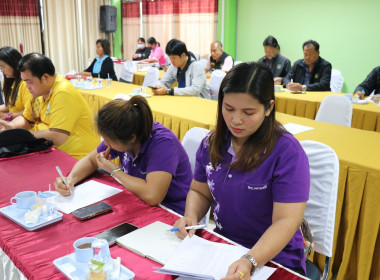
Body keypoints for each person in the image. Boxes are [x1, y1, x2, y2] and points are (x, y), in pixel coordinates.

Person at [174, 62, 310, 279]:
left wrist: (250, 260)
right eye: (228, 109)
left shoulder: (287, 153)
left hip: (274, 259)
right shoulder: (212, 143)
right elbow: (200, 191)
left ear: (269, 108)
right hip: (223, 247)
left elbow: (286, 221)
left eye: (248, 112)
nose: (236, 120)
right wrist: (191, 216)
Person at [54, 96, 192, 215]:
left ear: (131, 138)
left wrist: (114, 171)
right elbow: (91, 160)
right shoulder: (124, 134)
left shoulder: (163, 144)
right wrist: (71, 179)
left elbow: (152, 195)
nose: (106, 144)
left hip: (172, 211)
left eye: (109, 141)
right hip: (138, 201)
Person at [0, 53, 100, 159]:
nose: (27, 86)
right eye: (24, 82)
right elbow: (27, 119)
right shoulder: (38, 93)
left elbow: (58, 136)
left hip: (78, 157)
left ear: (45, 78)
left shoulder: (63, 93)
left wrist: (22, 136)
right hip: (50, 150)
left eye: (29, 82)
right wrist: (11, 127)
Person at [0, 46, 31, 121]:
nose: (1, 71)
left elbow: (31, 112)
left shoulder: (25, 84)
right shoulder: (14, 83)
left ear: (13, 64)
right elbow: (11, 105)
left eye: (3, 67)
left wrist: (8, 115)